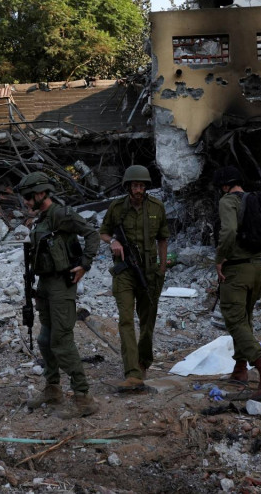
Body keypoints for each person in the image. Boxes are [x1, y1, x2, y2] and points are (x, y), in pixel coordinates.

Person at [17, 171, 101, 418]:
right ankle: (53, 389)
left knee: (61, 342)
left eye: (28, 197)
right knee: (45, 340)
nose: (25, 202)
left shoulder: (61, 215)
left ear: (40, 193)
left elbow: (92, 234)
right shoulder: (43, 218)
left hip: (62, 285)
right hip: (44, 283)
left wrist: (85, 264)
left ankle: (84, 398)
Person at [213, 165, 261, 400]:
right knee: (245, 320)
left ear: (224, 186)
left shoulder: (227, 201)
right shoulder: (256, 200)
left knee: (235, 321)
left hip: (235, 270)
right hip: (256, 269)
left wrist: (220, 258)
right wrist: (255, 248)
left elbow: (229, 231)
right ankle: (240, 370)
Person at [99, 165, 170, 389]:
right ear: (128, 187)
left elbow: (163, 238)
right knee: (126, 320)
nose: (138, 189)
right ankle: (131, 372)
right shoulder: (117, 208)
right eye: (134, 186)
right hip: (125, 272)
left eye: (141, 186)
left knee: (148, 321)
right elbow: (103, 232)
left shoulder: (157, 207)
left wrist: (162, 268)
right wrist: (113, 242)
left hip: (149, 272)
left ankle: (143, 361)